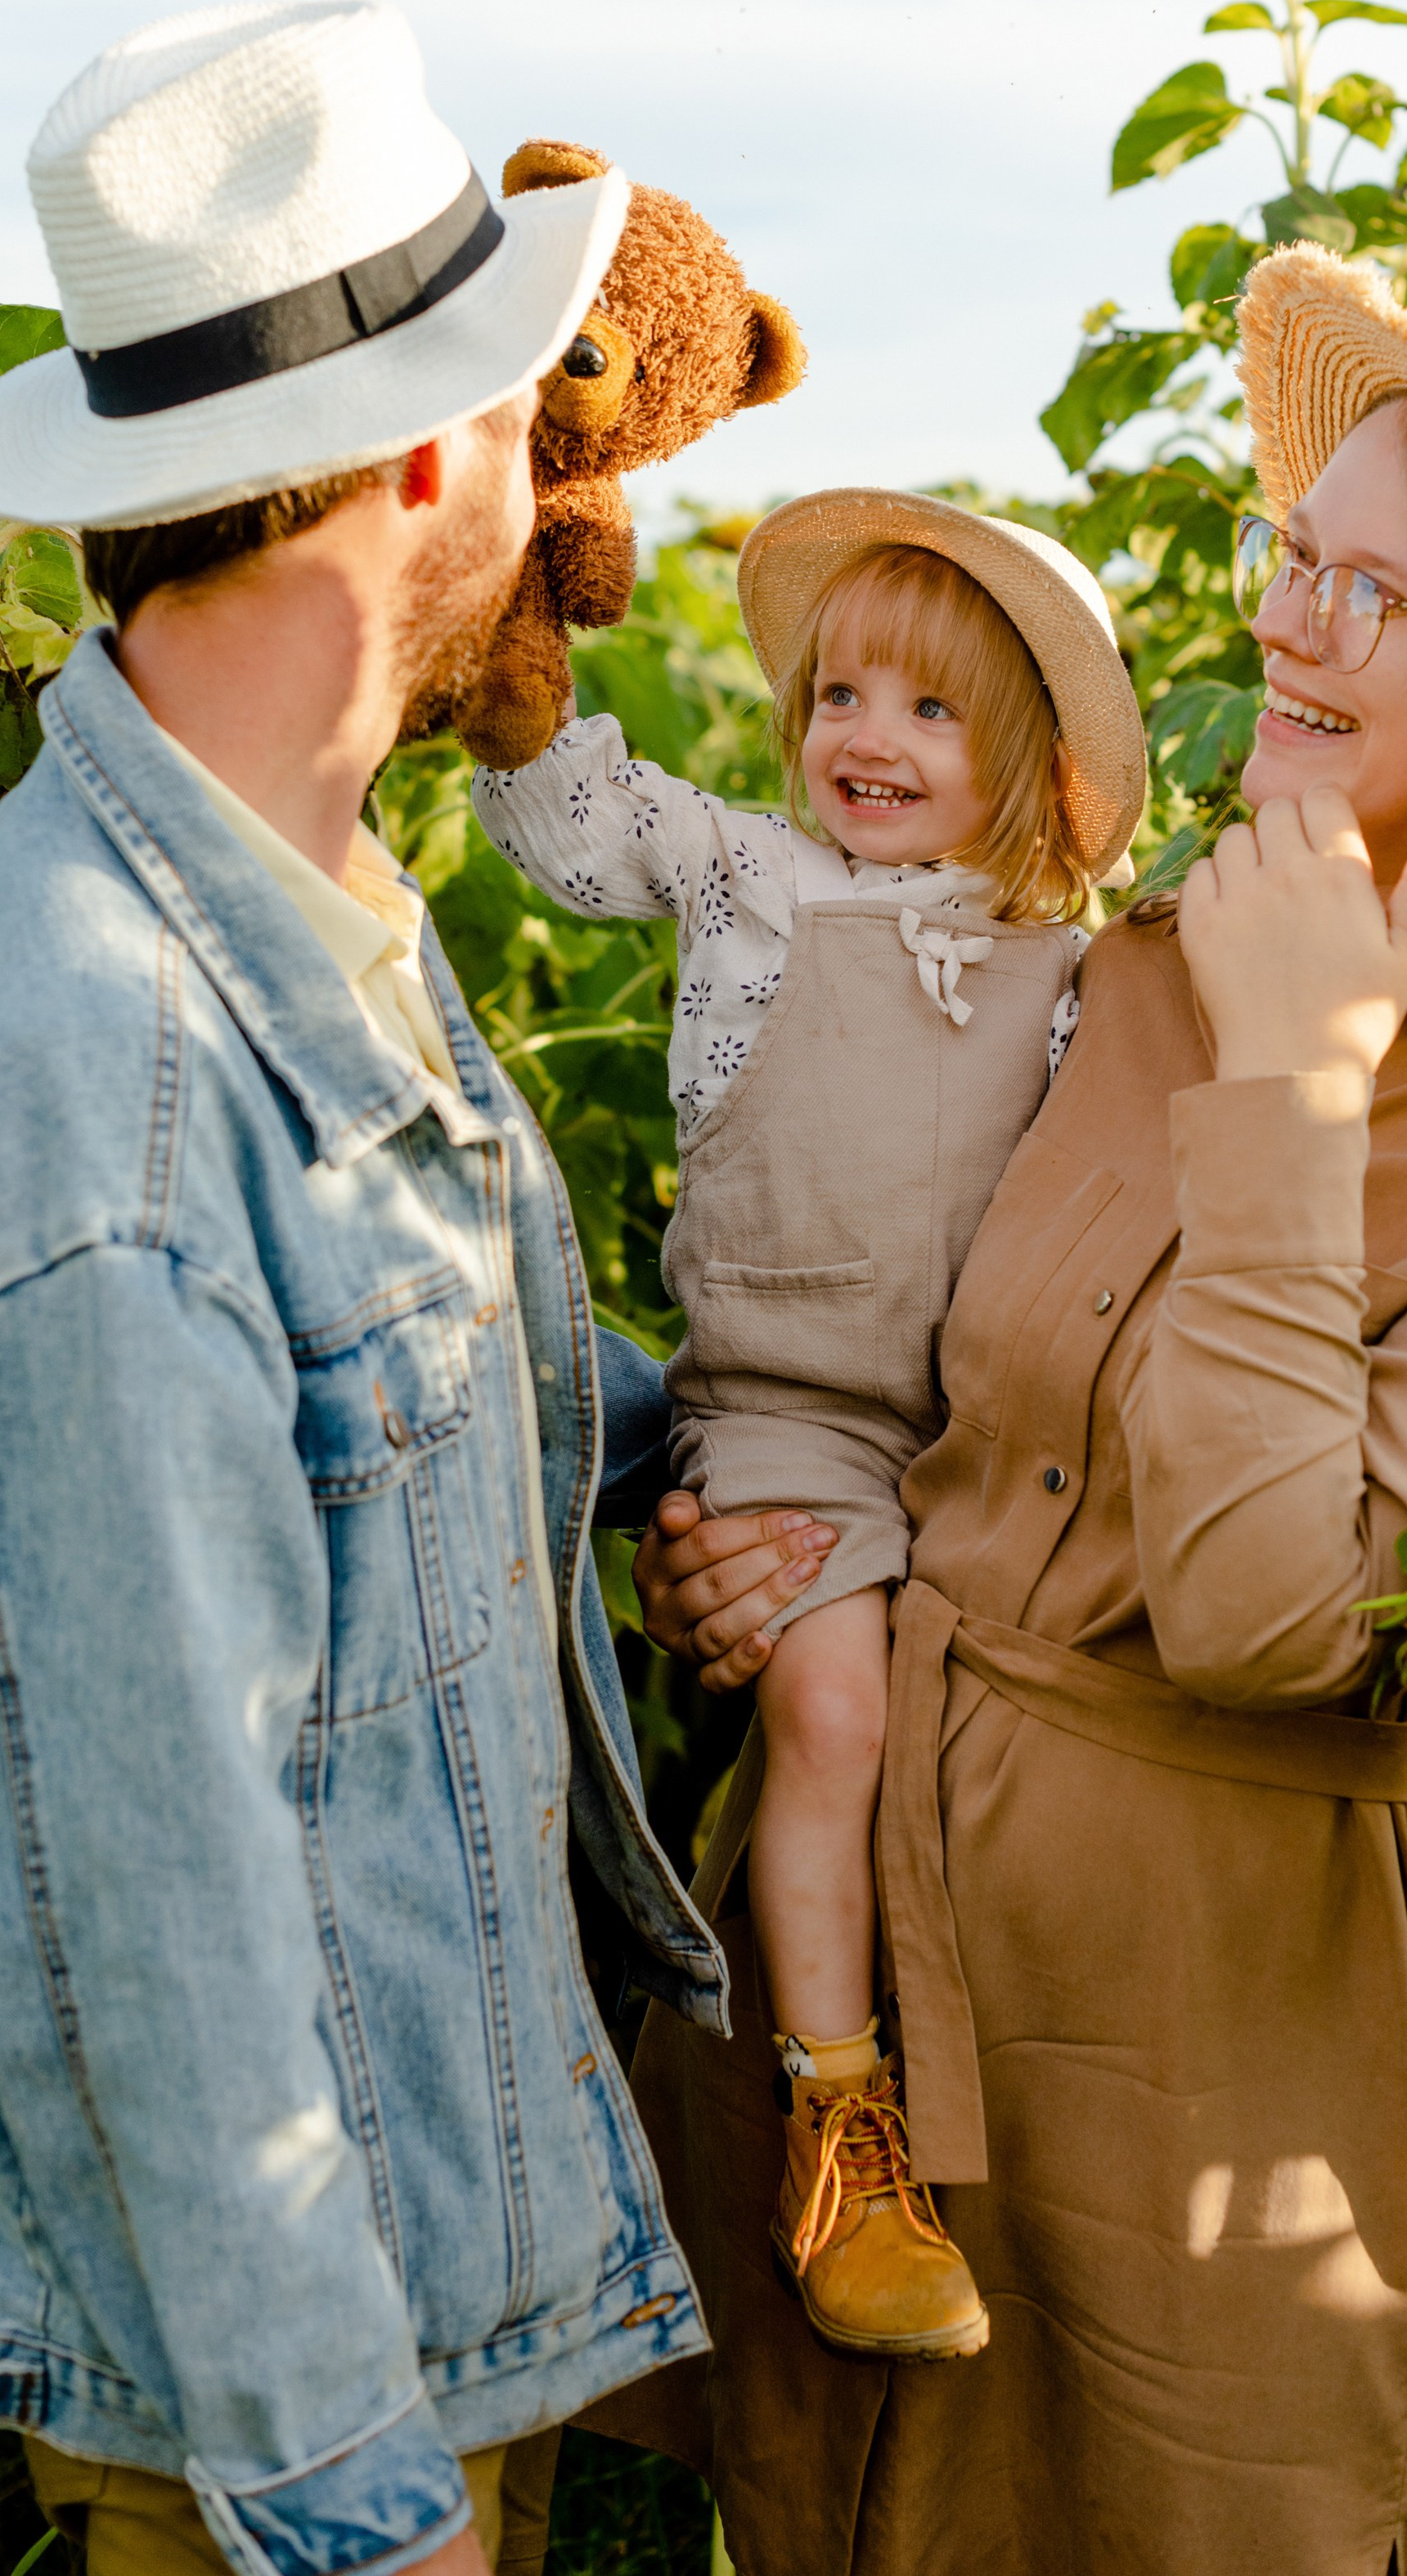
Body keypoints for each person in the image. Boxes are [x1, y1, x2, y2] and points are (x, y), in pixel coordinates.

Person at [598, 249, 1407, 2575]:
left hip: (1218, 2078)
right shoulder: (1149, 956)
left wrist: (1299, 1091)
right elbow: (916, 1368)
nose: (1288, 626)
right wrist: (777, 1544)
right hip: (887, 1999)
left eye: (1367, 596)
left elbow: (1268, 1609)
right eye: (1297, 559)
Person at [0, 0, 727, 2576]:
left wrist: (720, 1439)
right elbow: (165, 1919)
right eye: (533, 419)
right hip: (297, 2442)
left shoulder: (284, 896)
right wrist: (359, 2508)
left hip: (427, 2309)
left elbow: (377, 1427)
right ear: (440, 453)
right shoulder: (96, 1097)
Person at [471, 494, 1144, 2358]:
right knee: (831, 1705)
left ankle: (993, 2129)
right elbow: (571, 813)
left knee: (985, 1753)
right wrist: (516, 640)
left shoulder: (1075, 965)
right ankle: (834, 2117)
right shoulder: (752, 876)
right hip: (785, 1410)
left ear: (1032, 758)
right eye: (838, 691)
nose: (863, 734)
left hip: (998, 1426)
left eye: (928, 711)